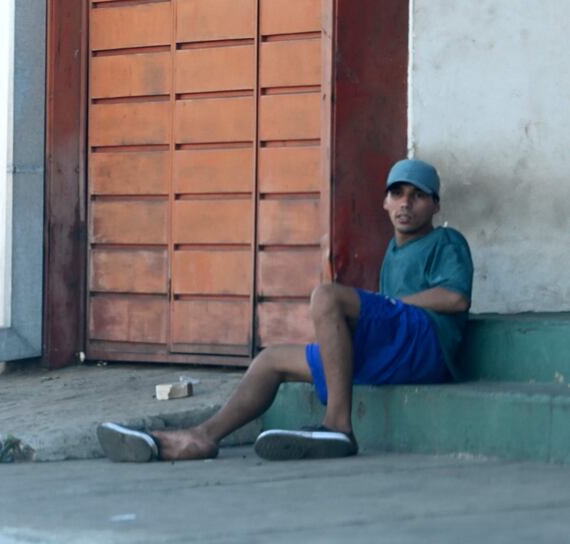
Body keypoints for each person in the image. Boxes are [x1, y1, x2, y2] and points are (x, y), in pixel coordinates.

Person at [97, 158, 474, 462]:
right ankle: (200, 437)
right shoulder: (393, 252)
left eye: (418, 196)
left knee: (326, 296)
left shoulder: (446, 240)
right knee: (272, 359)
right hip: (395, 349)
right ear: (385, 201)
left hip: (428, 347)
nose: (406, 203)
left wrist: (392, 304)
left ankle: (338, 426)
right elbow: (385, 320)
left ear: (435, 205)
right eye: (397, 193)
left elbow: (456, 299)